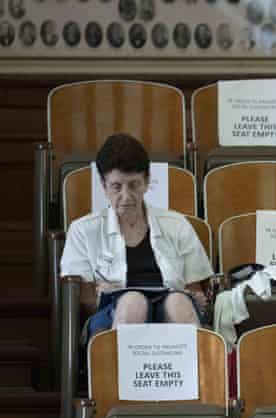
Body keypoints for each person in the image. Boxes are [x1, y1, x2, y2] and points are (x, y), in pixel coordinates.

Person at [60, 134, 213, 338]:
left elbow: (194, 287)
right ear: (103, 185)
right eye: (116, 186)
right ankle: (118, 368)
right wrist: (102, 295)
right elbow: (85, 302)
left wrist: (198, 298)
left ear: (147, 181)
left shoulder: (176, 225)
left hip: (172, 305)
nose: (126, 196)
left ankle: (195, 369)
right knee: (133, 302)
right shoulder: (82, 230)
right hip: (111, 313)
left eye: (134, 185)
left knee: (178, 303)